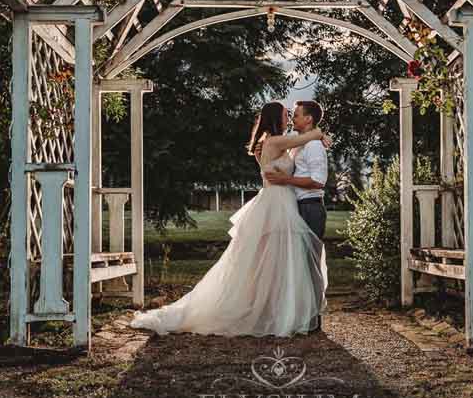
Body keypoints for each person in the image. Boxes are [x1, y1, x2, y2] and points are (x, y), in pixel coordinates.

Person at [129, 101, 331, 338]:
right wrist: (320, 134)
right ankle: (276, 313)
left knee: (279, 262)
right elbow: (310, 135)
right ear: (277, 119)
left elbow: (304, 148)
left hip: (284, 203)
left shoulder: (273, 144)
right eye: (287, 116)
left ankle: (281, 311)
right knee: (277, 260)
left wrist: (317, 138)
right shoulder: (276, 143)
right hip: (278, 204)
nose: (290, 119)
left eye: (293, 115)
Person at [263, 100, 329, 330]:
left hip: (311, 207)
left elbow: (318, 180)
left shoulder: (312, 146)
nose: (292, 119)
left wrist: (286, 180)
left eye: (297, 115)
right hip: (297, 206)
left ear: (309, 119)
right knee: (298, 264)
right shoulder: (298, 144)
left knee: (310, 264)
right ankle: (301, 315)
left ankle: (313, 319)